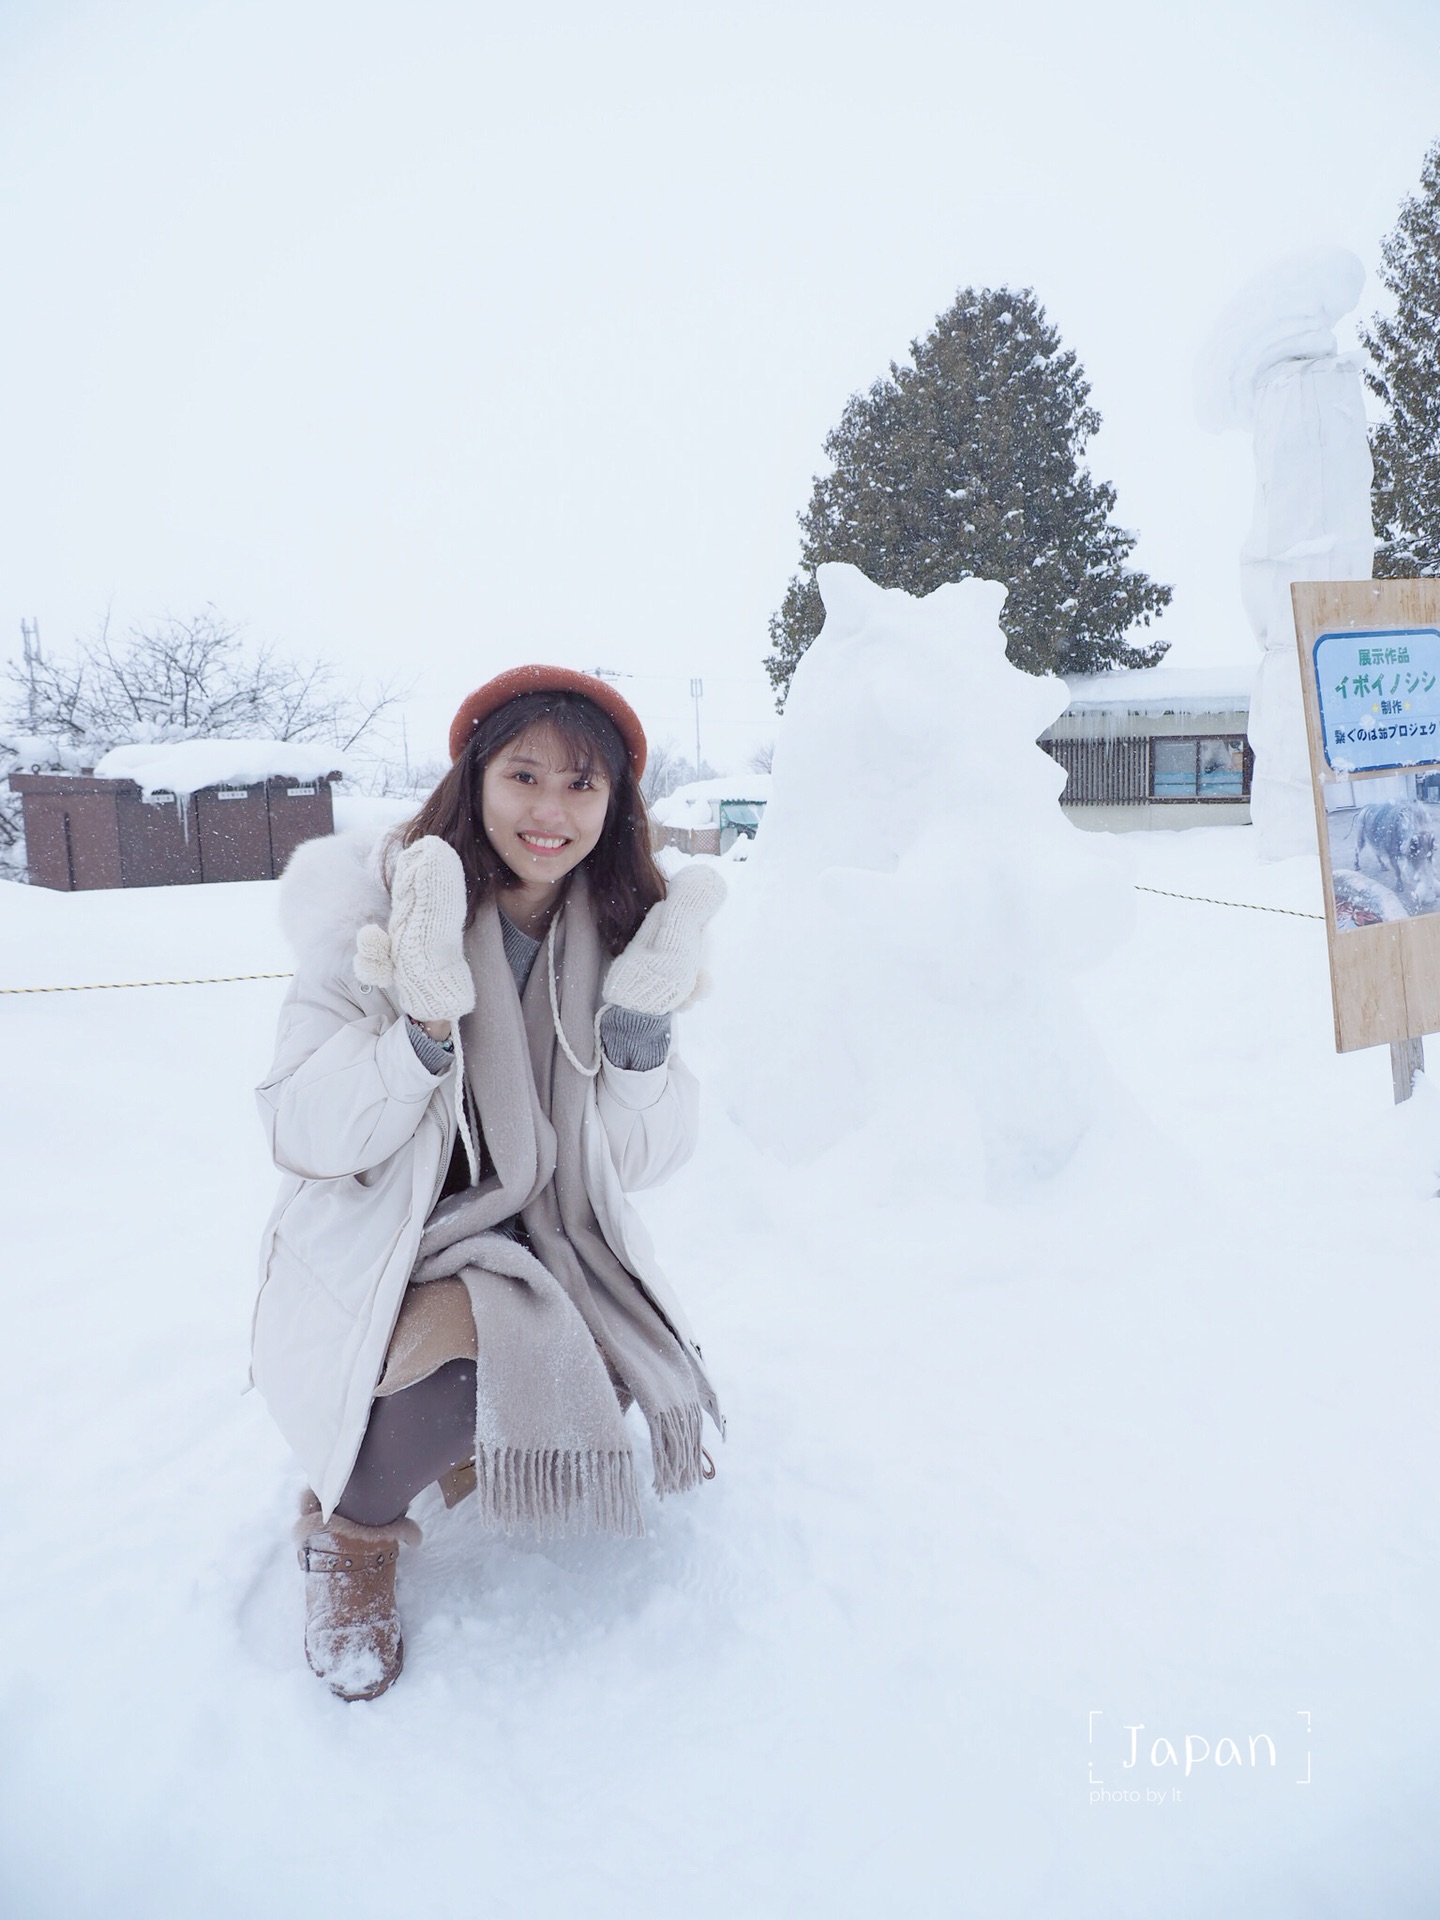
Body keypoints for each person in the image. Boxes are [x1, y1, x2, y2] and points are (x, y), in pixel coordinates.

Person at [252, 665, 725, 1701]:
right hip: (391, 1243)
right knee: (444, 1399)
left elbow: (641, 1163)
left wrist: (639, 1035)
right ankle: (351, 1538)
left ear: (615, 805)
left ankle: (470, 1426)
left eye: (581, 785)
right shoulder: (376, 915)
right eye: (524, 776)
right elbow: (301, 1127)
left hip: (547, 1235)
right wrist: (418, 1029)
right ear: (475, 779)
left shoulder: (616, 933)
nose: (550, 812)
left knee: (600, 1370)